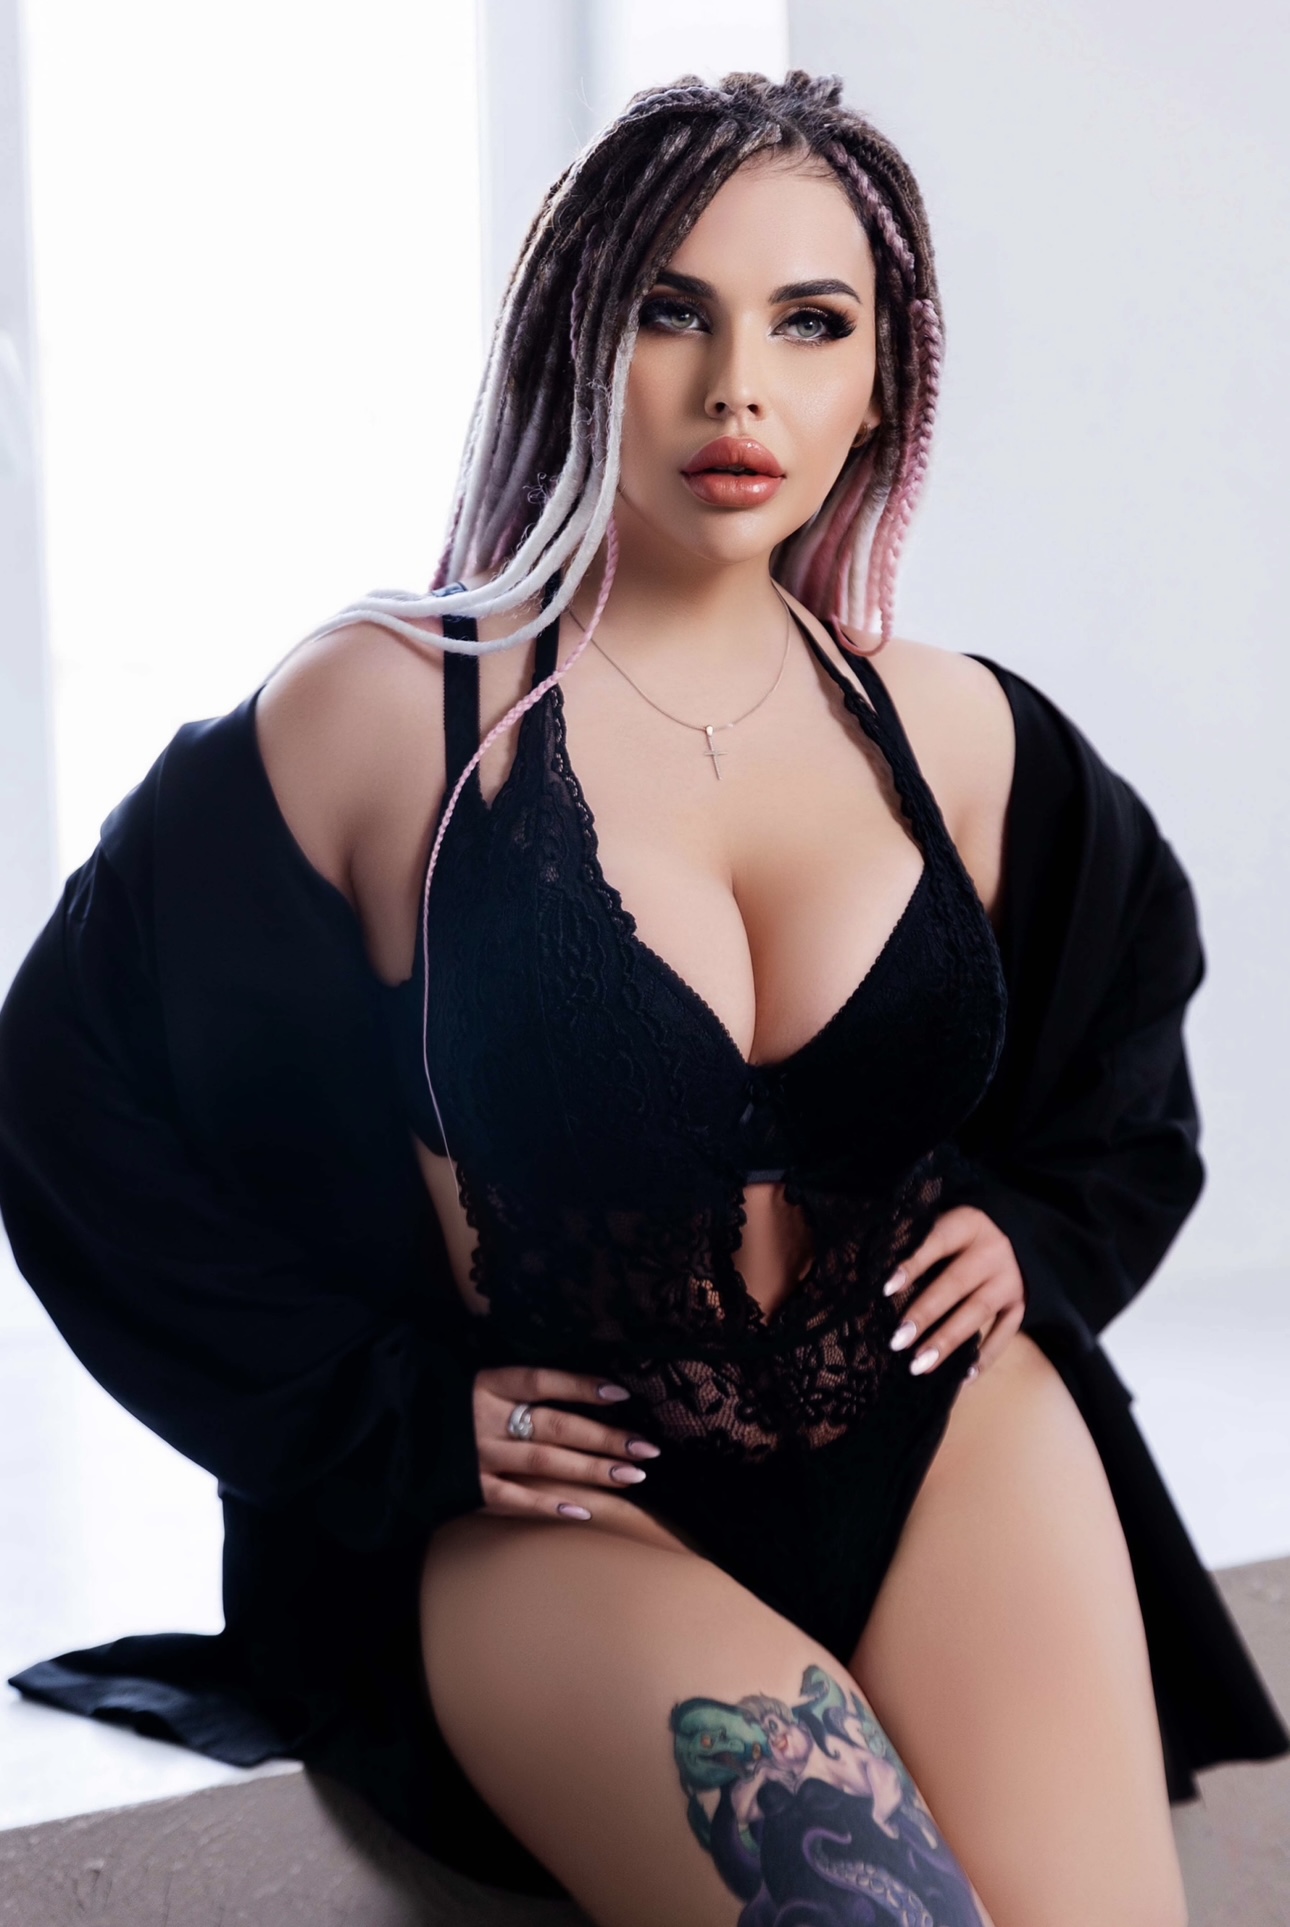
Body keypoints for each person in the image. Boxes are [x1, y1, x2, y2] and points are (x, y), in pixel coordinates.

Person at [0, 69, 1284, 1927]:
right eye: (670, 312)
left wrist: (1035, 1230)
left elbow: (1126, 1020)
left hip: (950, 1442)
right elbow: (67, 1093)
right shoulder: (391, 714)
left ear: (884, 380)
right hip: (569, 1517)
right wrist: (383, 1418)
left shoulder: (953, 731)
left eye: (809, 322)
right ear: (571, 342)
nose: (736, 388)